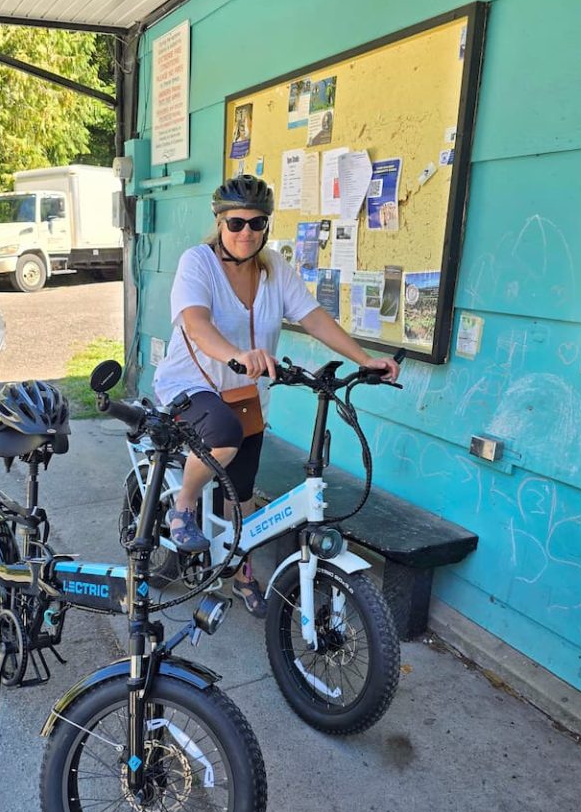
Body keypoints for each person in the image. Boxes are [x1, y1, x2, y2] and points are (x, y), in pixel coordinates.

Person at [153, 175, 399, 617]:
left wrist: (365, 359)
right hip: (191, 386)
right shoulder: (199, 263)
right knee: (224, 433)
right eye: (236, 223)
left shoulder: (274, 270)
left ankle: (241, 574)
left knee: (242, 494)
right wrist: (235, 355)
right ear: (220, 222)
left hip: (246, 394)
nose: (246, 232)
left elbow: (314, 317)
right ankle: (184, 504)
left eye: (257, 223)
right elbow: (195, 323)